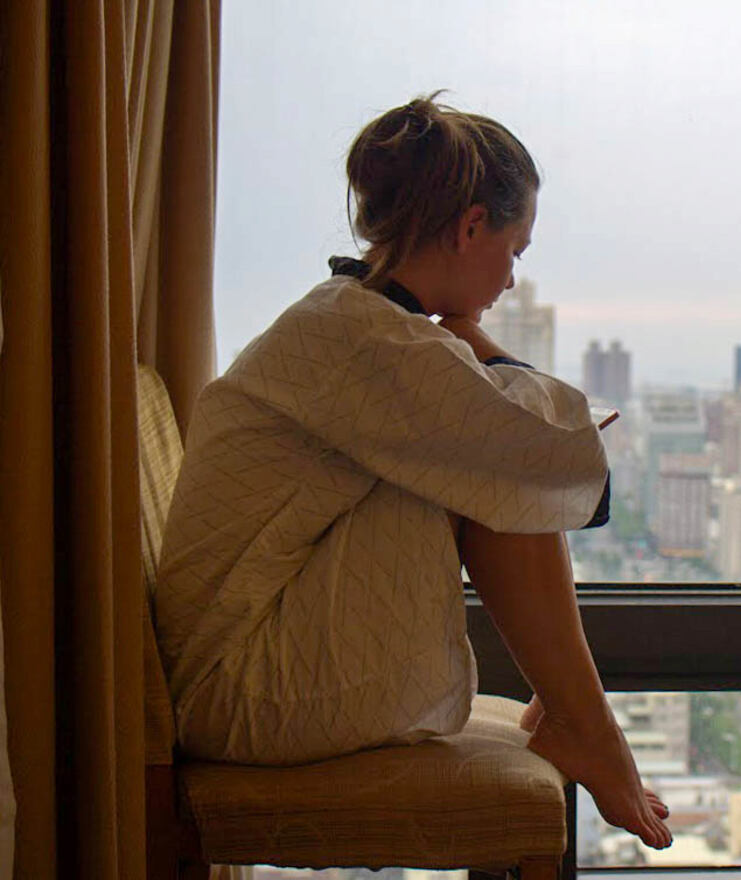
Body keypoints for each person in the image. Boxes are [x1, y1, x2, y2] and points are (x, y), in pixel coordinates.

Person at [154, 92, 672, 850]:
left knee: (488, 457)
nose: (510, 280)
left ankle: (576, 716)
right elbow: (555, 458)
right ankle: (585, 724)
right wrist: (481, 346)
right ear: (470, 227)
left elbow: (536, 453)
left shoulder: (354, 323)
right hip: (240, 690)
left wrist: (475, 357)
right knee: (493, 464)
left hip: (239, 663)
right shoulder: (368, 342)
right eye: (514, 251)